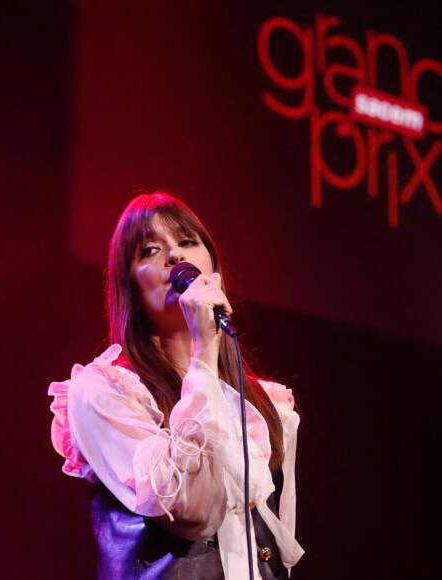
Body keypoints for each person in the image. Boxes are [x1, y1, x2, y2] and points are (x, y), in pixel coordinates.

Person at [48, 192, 304, 579]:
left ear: (212, 267)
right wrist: (203, 356)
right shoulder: (104, 391)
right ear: (129, 285)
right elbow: (189, 511)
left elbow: (275, 541)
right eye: (149, 250)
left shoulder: (264, 403)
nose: (174, 256)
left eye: (187, 242)